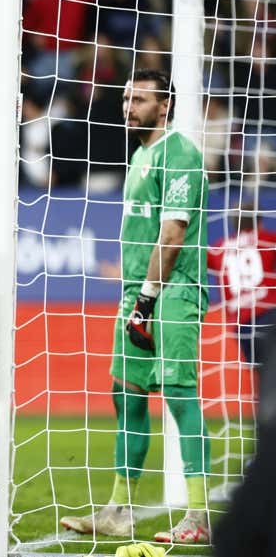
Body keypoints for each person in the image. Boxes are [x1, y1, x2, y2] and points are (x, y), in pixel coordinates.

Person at [60, 69, 211, 543]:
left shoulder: (180, 152)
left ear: (163, 106)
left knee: (180, 396)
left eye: (139, 99)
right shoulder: (141, 153)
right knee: (126, 396)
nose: (127, 106)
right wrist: (134, 295)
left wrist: (145, 299)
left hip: (173, 293)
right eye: (126, 98)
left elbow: (173, 234)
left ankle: (198, 517)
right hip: (138, 294)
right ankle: (118, 510)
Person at [207, 207, 276, 366]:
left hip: (242, 324)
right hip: (269, 313)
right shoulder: (267, 239)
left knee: (262, 374)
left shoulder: (219, 248)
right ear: (259, 222)